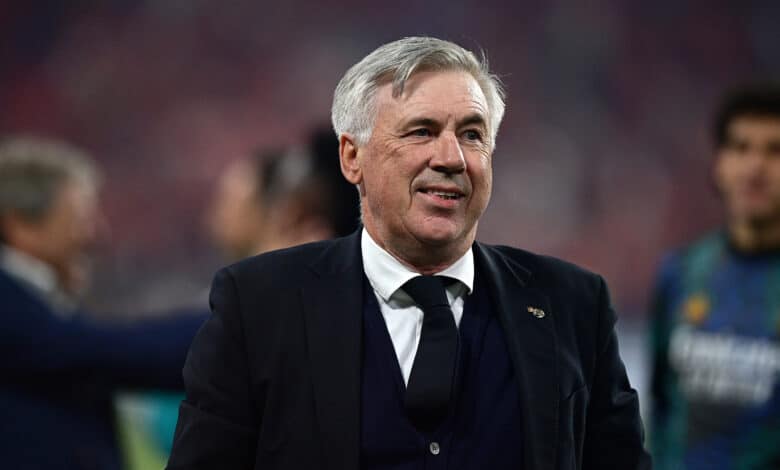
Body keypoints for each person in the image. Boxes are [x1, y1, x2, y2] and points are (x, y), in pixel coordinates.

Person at [167, 36, 650, 470]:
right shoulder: (259, 303)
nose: (452, 158)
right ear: (352, 158)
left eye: (472, 134)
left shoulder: (571, 304)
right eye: (421, 131)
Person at [0, 136, 205, 470]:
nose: (98, 233)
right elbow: (106, 354)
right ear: (21, 225)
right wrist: (233, 321)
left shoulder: (40, 303)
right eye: (80, 218)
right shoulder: (11, 307)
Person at [649, 84, 780, 469]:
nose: (755, 167)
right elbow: (661, 404)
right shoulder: (682, 274)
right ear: (719, 163)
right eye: (741, 148)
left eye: (774, 150)